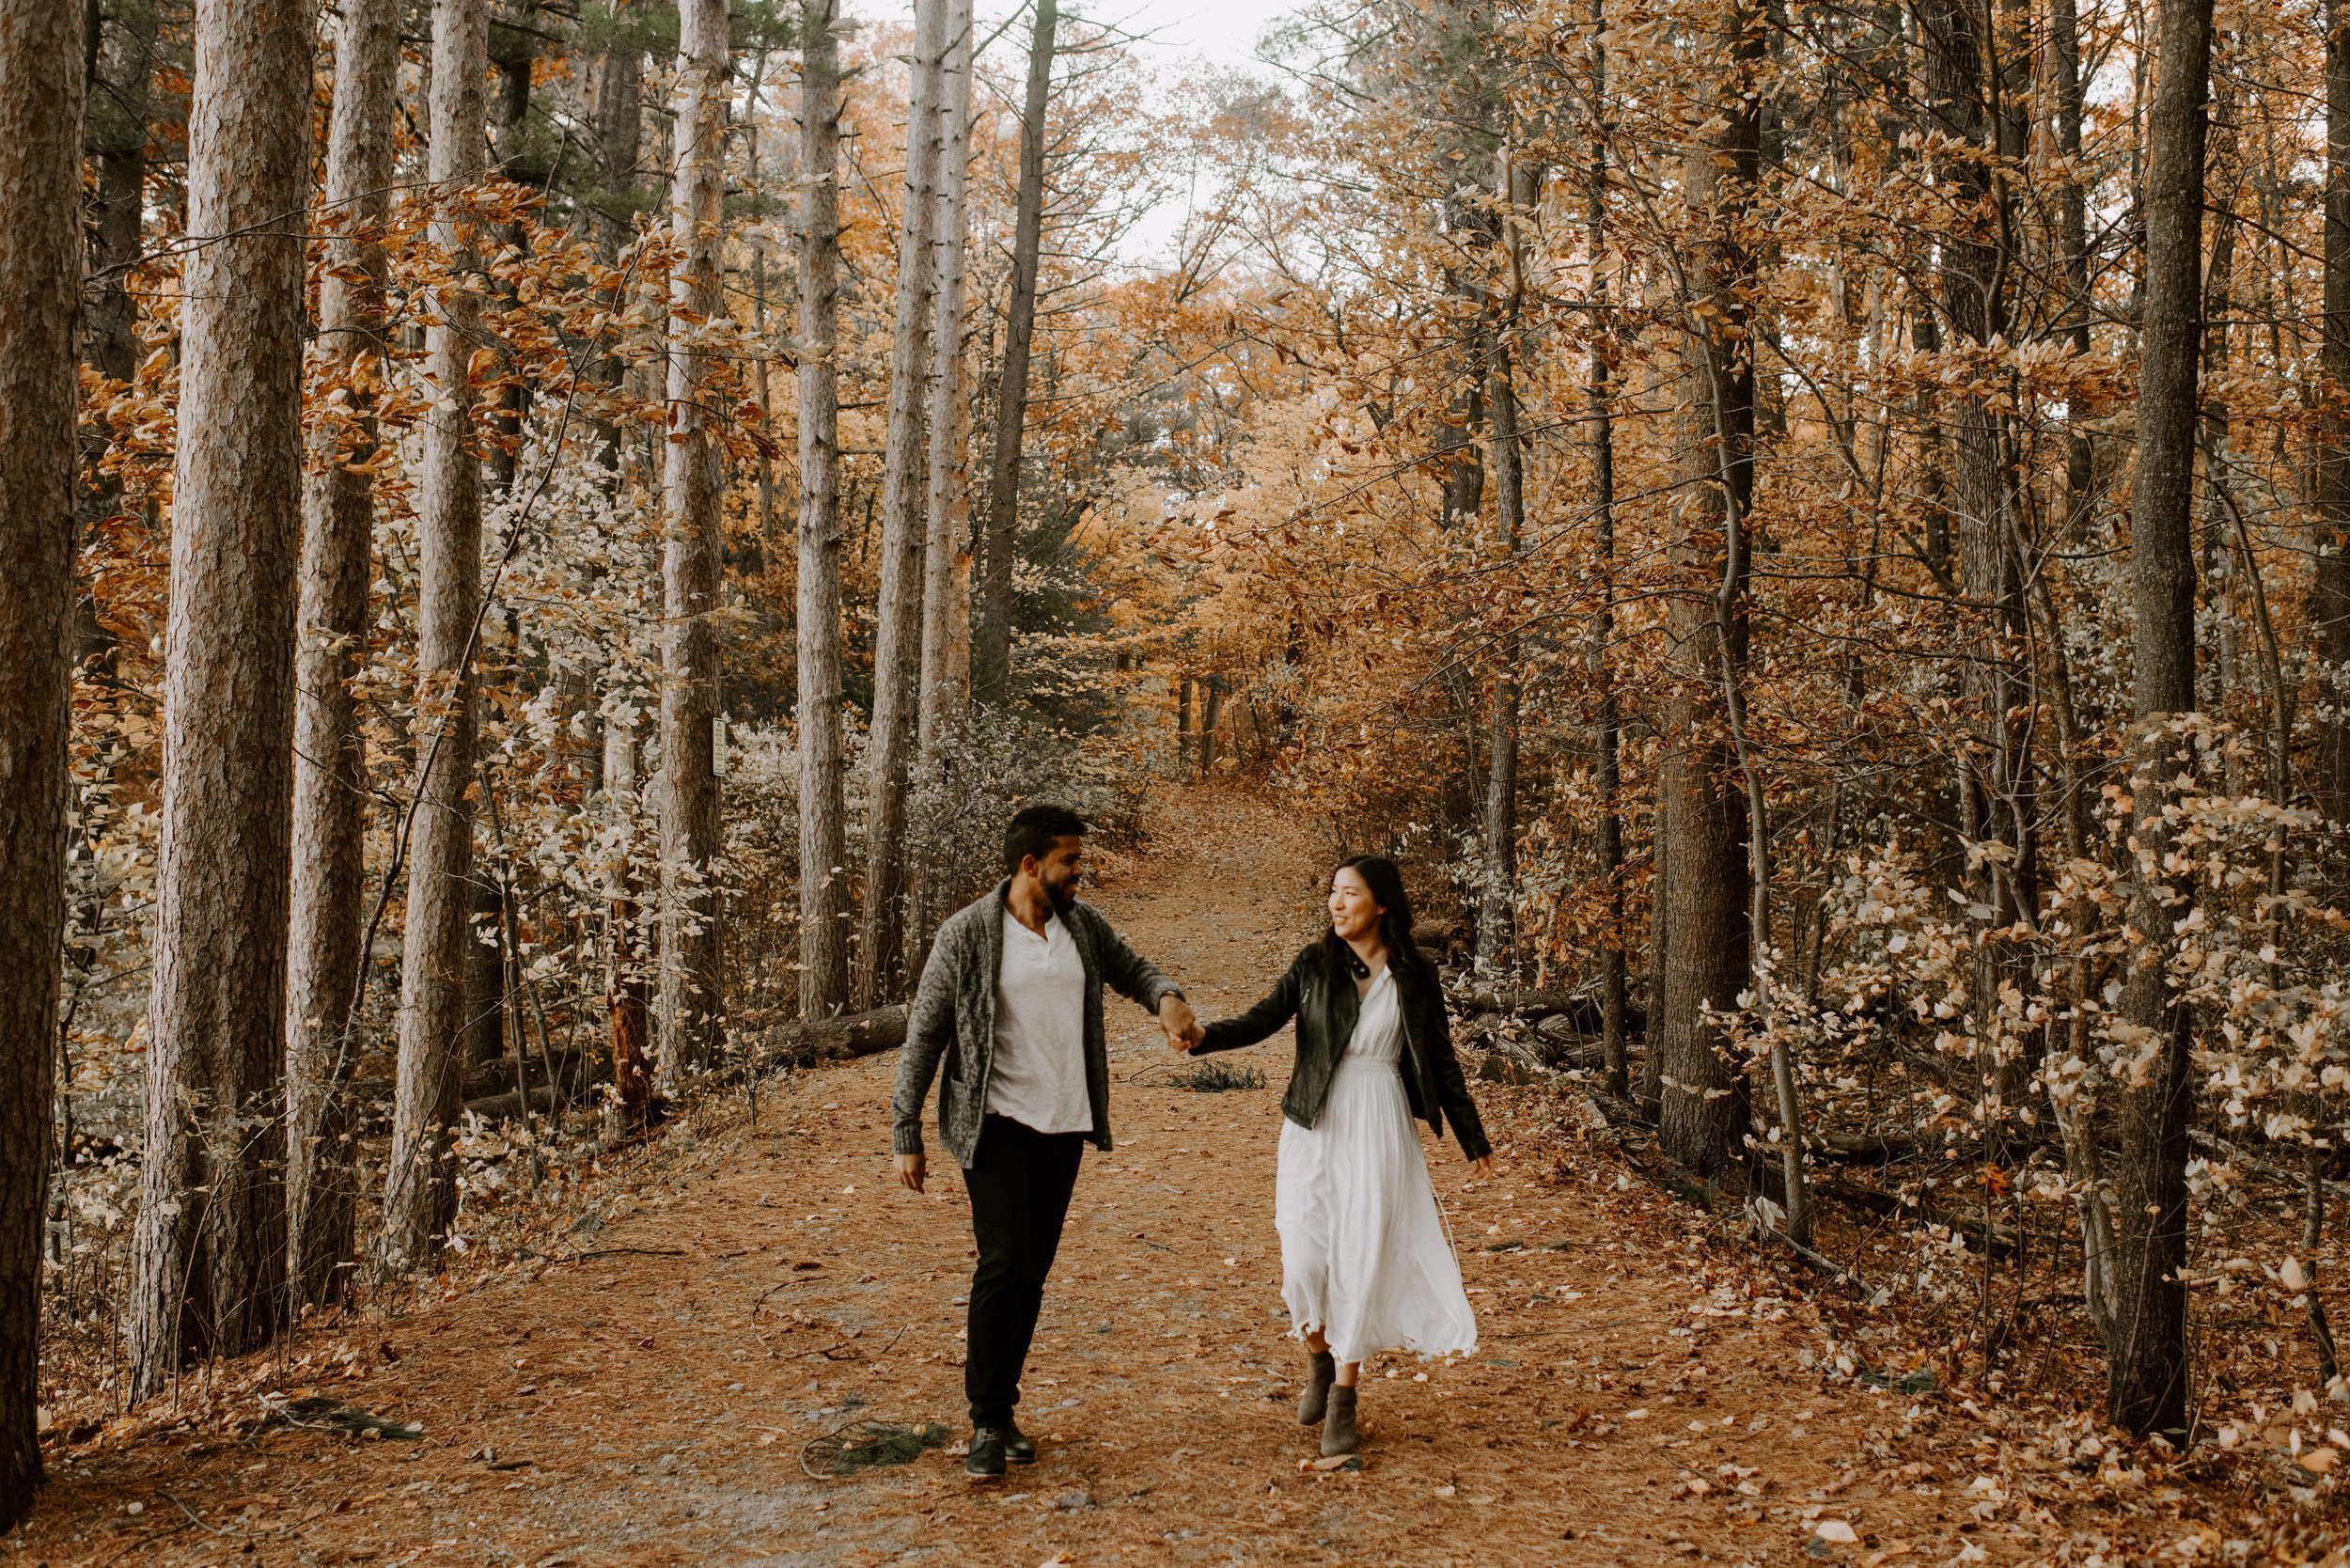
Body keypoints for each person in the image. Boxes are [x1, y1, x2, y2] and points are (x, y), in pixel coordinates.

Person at [891, 804, 1202, 1480]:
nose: (1078, 875)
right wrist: (905, 1128)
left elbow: (1134, 970)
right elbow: (926, 1033)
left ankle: (1004, 1411)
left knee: (1032, 1271)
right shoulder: (968, 933)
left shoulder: (1081, 928)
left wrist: (1168, 998)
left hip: (1064, 1118)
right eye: (1070, 861)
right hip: (994, 1121)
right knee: (1003, 1262)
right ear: (1031, 864)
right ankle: (984, 1419)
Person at [1182, 854, 1493, 1457]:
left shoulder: (1416, 977)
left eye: (1349, 893)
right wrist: (1203, 1037)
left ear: (1381, 904)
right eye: (1333, 892)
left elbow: (1442, 1062)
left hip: (1379, 1124)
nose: (1336, 902)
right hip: (1314, 1122)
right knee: (1302, 1260)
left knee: (1360, 1257)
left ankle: (1345, 1399)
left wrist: (1471, 1136)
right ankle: (1318, 1355)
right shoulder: (1315, 964)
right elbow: (1261, 1019)